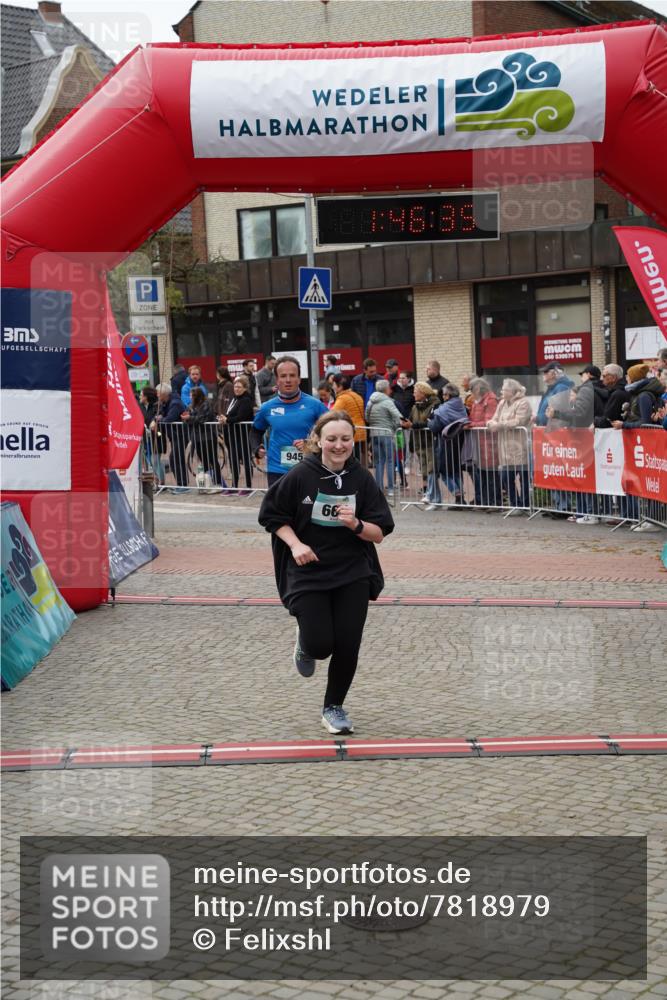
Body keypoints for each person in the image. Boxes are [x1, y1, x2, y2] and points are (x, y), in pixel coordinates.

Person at [258, 412, 394, 735]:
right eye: (331, 439)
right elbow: (271, 515)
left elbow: (380, 532)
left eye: (345, 439)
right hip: (309, 569)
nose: (338, 445)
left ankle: (333, 707)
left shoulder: (361, 478)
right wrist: (295, 545)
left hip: (352, 571)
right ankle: (305, 644)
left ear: (353, 441)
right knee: (321, 644)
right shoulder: (301, 475)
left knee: (348, 643)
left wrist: (356, 524)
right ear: (318, 440)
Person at [251, 356, 328, 486]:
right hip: (277, 470)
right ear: (277, 380)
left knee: (305, 507)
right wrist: (256, 449)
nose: (288, 380)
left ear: (299, 379)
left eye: (292, 375)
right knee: (279, 507)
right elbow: (255, 432)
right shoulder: (267, 407)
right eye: (283, 376)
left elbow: (331, 432)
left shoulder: (315, 405)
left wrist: (311, 443)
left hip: (308, 468)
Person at [535, 362, 575, 518]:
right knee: (552, 469)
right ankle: (558, 504)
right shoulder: (552, 389)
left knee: (559, 469)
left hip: (556, 434)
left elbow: (558, 410)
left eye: (546, 372)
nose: (543, 376)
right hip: (548, 433)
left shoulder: (561, 388)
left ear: (553, 373)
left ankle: (563, 506)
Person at [486, 379, 533, 514]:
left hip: (520, 445)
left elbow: (520, 420)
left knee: (523, 477)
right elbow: (495, 418)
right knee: (506, 476)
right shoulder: (502, 403)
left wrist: (499, 425)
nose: (501, 391)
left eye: (504, 389)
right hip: (505, 447)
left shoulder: (523, 403)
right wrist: (491, 423)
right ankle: (515, 504)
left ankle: (524, 506)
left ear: (512, 391)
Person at [426, 384, 470, 509]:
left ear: (449, 395)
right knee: (456, 471)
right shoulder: (461, 405)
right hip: (459, 441)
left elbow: (435, 426)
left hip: (446, 442)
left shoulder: (444, 408)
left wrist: (429, 422)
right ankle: (460, 501)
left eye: (444, 394)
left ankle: (457, 494)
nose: (443, 397)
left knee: (444, 471)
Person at [365, 378, 402, 496]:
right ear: (386, 389)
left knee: (378, 462)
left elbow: (367, 417)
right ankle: (391, 488)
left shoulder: (371, 401)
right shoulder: (388, 401)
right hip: (386, 434)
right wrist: (396, 426)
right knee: (390, 461)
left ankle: (379, 488)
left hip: (374, 434)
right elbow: (398, 416)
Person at [403, 382, 439, 503]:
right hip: (419, 441)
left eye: (415, 392)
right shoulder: (415, 407)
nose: (413, 394)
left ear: (423, 393)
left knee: (431, 468)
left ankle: (433, 496)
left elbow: (431, 422)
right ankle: (427, 493)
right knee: (424, 468)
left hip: (430, 441)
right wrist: (404, 424)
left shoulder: (435, 404)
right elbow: (411, 420)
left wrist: (413, 425)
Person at [468, 377, 500, 508]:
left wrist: (471, 425)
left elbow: (489, 422)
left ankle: (495, 502)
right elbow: (472, 418)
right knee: (482, 474)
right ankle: (486, 501)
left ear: (478, 388)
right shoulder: (477, 401)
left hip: (489, 442)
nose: (470, 392)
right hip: (479, 442)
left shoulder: (490, 400)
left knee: (491, 475)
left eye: (472, 389)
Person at [219, 374, 254, 491]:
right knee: (233, 460)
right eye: (235, 387)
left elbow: (241, 416)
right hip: (232, 435)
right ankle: (234, 485)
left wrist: (227, 419)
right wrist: (224, 417)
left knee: (245, 460)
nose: (236, 389)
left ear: (245, 388)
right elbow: (231, 413)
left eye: (239, 387)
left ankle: (248, 486)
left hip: (242, 436)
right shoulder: (234, 399)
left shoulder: (246, 400)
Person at [183, 386, 222, 486]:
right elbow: (192, 419)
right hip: (197, 437)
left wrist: (189, 418)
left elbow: (202, 419)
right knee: (204, 460)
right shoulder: (192, 406)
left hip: (208, 436)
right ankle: (208, 481)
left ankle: (217, 481)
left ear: (197, 396)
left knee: (212, 459)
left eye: (192, 395)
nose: (190, 397)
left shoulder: (206, 404)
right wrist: (186, 418)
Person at [153, 380, 187, 490]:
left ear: (163, 394)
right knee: (175, 458)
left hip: (181, 435)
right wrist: (158, 417)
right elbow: (161, 414)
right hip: (174, 435)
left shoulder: (175, 403)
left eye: (158, 393)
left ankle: (183, 485)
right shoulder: (166, 403)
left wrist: (160, 419)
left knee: (176, 458)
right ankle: (181, 484)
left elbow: (169, 419)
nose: (157, 396)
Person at [612, 363, 664, 428]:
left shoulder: (644, 396)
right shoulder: (639, 392)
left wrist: (623, 425)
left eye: (628, 375)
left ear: (633, 378)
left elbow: (646, 423)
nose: (626, 378)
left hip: (645, 436)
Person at [331, 373, 367, 461]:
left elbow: (331, 415)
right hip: (361, 433)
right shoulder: (357, 396)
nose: (332, 387)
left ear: (339, 386)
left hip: (351, 434)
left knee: (350, 462)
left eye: (334, 384)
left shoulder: (342, 399)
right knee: (357, 461)